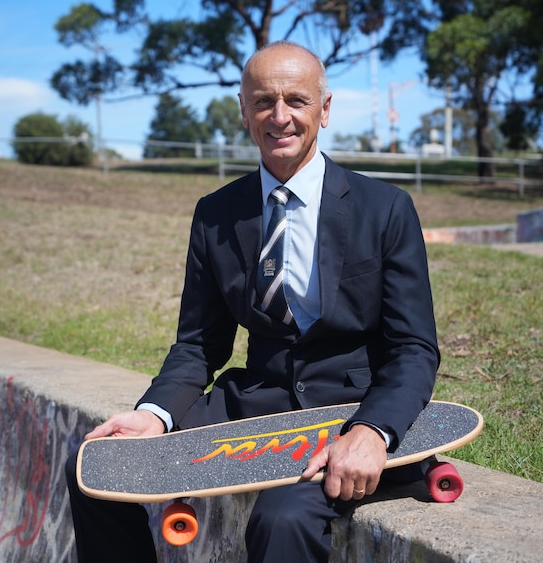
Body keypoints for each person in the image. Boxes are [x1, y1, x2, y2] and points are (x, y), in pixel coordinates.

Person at [65, 40, 440, 563]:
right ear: (244, 111)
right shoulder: (217, 213)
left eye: (297, 101)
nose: (279, 116)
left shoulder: (386, 209)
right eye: (263, 101)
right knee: (97, 468)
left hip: (351, 407)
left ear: (325, 110)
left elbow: (414, 349)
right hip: (255, 404)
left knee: (282, 519)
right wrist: (154, 415)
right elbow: (198, 345)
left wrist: (372, 431)